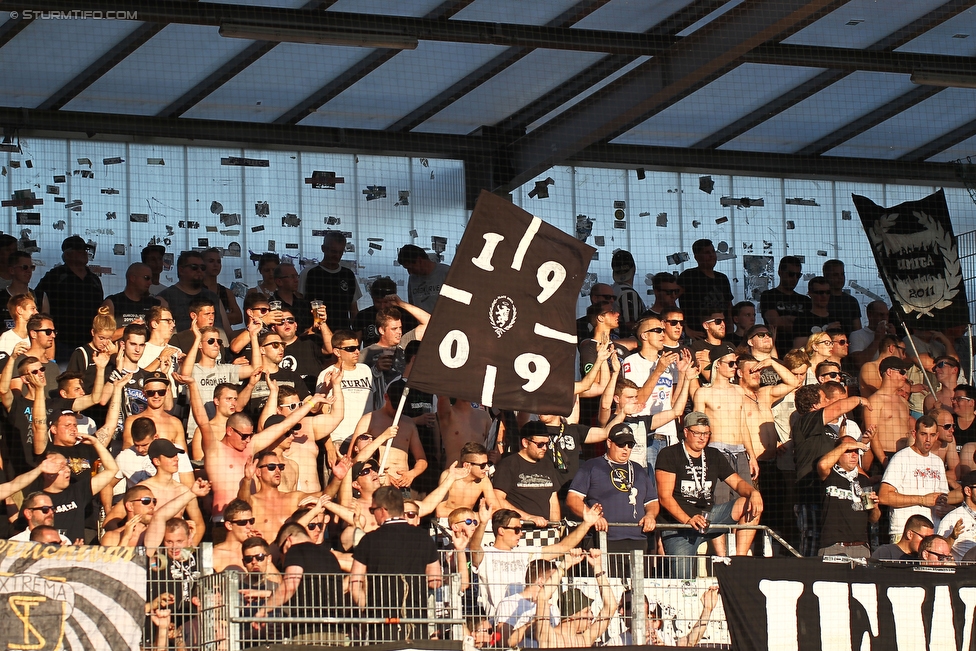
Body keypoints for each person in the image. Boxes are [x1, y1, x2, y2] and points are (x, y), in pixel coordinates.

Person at [655, 412, 763, 578]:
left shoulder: (713, 455)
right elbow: (665, 497)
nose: (702, 438)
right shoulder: (669, 454)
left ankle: (740, 560)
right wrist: (687, 520)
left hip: (708, 518)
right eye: (697, 433)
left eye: (706, 433)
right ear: (685, 432)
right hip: (679, 526)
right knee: (683, 584)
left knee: (749, 502)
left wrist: (753, 492)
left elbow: (738, 483)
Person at [350, 486, 441, 641]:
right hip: (416, 618)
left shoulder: (369, 540)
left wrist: (366, 608)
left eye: (373, 511)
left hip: (380, 621)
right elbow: (435, 580)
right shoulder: (424, 538)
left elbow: (355, 582)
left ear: (383, 510)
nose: (373, 515)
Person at [475, 505, 601, 617]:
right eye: (517, 530)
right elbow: (473, 549)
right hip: (498, 622)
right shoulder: (486, 553)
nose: (521, 534)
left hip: (527, 617)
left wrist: (586, 524)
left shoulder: (525, 552)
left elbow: (562, 547)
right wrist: (482, 524)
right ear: (501, 530)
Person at [791, 384, 869, 556]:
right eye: (825, 399)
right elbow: (839, 407)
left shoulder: (829, 430)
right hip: (809, 495)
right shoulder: (806, 422)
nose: (829, 401)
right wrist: (859, 399)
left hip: (830, 499)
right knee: (811, 549)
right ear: (814, 405)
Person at [567, 423, 658, 554]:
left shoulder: (639, 469)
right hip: (603, 539)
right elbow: (573, 499)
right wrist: (593, 517)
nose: (626, 449)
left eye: (630, 445)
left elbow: (652, 502)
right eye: (621, 444)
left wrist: (650, 515)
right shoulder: (592, 466)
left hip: (637, 539)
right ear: (609, 443)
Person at [879, 414, 959, 543]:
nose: (928, 439)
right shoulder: (901, 458)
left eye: (932, 435)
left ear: (937, 436)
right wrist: (921, 500)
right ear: (914, 434)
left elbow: (942, 496)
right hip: (905, 533)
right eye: (923, 434)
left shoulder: (937, 462)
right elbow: (884, 496)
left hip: (932, 532)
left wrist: (945, 507)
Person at [34, 235, 104, 363]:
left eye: (85, 250)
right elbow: (38, 302)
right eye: (78, 250)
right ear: (67, 255)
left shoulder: (94, 279)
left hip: (89, 341)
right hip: (63, 342)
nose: (83, 253)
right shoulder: (55, 276)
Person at [533, 550, 617, 649]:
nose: (592, 616)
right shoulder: (548, 636)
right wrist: (565, 565)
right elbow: (542, 597)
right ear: (572, 615)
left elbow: (611, 606)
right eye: (587, 611)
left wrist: (597, 568)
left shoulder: (585, 639)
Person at [816, 436, 880, 559]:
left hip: (861, 548)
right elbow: (822, 464)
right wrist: (846, 445)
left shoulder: (864, 481)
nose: (854, 455)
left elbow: (873, 519)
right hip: (833, 547)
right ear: (838, 452)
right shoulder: (830, 475)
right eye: (848, 451)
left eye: (856, 451)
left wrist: (875, 508)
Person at [492, 424, 561, 525]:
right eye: (540, 444)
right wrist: (528, 517)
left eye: (547, 444)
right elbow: (497, 498)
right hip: (518, 528)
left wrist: (556, 526)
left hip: (546, 530)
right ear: (525, 443)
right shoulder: (508, 464)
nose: (545, 448)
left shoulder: (547, 464)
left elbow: (553, 499)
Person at [301, 231, 362, 330]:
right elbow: (299, 304)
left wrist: (356, 335)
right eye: (333, 251)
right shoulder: (308, 273)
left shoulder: (348, 275)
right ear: (323, 249)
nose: (337, 255)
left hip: (342, 335)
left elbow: (353, 309)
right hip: (316, 334)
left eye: (340, 252)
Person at [156, 251, 228, 333]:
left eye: (203, 267)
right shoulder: (166, 297)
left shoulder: (213, 297)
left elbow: (228, 332)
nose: (199, 270)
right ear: (181, 270)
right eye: (194, 267)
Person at [676, 239, 733, 339]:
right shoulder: (689, 276)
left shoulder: (722, 278)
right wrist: (685, 328)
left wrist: (731, 328)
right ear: (697, 257)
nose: (711, 255)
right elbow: (670, 300)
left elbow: (728, 306)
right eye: (707, 252)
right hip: (698, 334)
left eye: (713, 252)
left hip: (720, 333)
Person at [866, 356, 915, 467]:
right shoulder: (875, 400)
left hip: (905, 457)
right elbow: (872, 436)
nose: (905, 376)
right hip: (884, 457)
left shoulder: (904, 402)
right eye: (902, 372)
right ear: (889, 372)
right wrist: (884, 460)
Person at [760, 256, 809, 356]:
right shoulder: (769, 296)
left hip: (801, 353)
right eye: (791, 274)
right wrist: (800, 323)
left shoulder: (805, 300)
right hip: (777, 351)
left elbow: (810, 326)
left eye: (798, 275)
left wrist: (787, 319)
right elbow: (775, 322)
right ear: (780, 273)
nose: (795, 278)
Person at [100, 262, 160, 329]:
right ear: (132, 278)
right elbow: (103, 335)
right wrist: (130, 328)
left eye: (151, 279)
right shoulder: (113, 302)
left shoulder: (154, 304)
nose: (150, 282)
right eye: (146, 278)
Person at [397, 243, 449, 314]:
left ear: (419, 260)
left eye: (410, 268)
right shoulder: (412, 279)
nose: (409, 272)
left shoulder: (446, 273)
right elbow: (412, 304)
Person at [212, 499, 262, 573]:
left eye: (251, 521)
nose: (249, 526)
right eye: (243, 522)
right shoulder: (215, 555)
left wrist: (260, 547)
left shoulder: (256, 552)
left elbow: (277, 581)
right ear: (229, 525)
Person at [938, 470, 976, 560]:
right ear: (968, 491)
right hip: (965, 570)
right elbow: (938, 550)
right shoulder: (952, 518)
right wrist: (952, 537)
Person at [202, 247, 244, 326]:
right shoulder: (196, 289)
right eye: (211, 261)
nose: (215, 265)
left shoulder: (227, 292)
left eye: (218, 262)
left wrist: (209, 317)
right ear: (202, 264)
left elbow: (239, 318)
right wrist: (227, 316)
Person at [269, 262, 312, 333]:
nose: (296, 280)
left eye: (296, 276)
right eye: (292, 277)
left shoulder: (303, 303)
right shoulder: (271, 306)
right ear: (279, 281)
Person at [610, 249, 644, 337]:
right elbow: (631, 325)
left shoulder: (612, 289)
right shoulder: (628, 293)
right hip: (627, 342)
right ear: (634, 268)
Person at [823, 259, 862, 334]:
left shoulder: (851, 301)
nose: (840, 277)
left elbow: (857, 331)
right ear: (826, 276)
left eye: (842, 274)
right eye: (835, 275)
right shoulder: (821, 299)